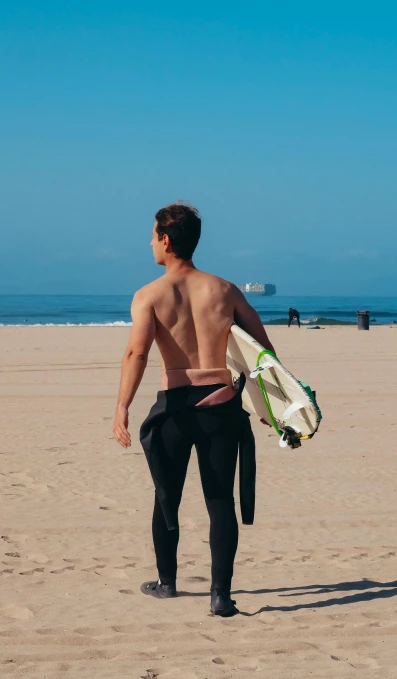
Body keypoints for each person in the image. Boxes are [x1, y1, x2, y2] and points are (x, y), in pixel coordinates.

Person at [113, 202, 275, 616]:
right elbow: (263, 351)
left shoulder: (150, 295)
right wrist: (268, 404)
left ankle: (167, 582)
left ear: (166, 241)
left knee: (167, 496)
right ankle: (220, 595)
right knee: (220, 501)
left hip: (176, 408)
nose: (149, 242)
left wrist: (122, 407)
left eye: (152, 236)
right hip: (222, 407)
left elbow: (137, 354)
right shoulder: (224, 290)